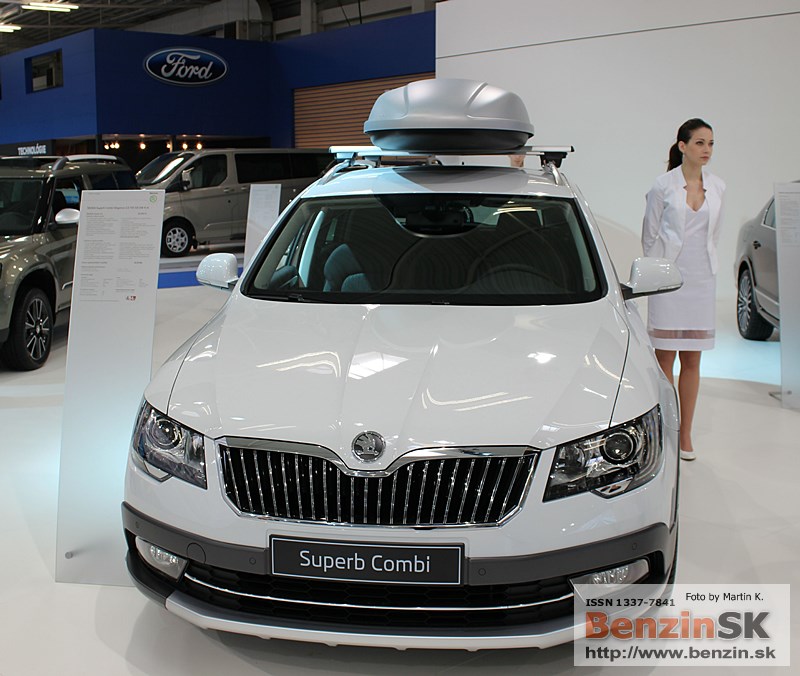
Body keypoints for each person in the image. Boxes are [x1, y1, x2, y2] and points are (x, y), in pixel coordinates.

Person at [641, 118, 725, 462]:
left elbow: (714, 236)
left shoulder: (718, 187)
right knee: (665, 359)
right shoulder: (662, 185)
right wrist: (657, 273)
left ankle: (686, 434)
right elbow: (649, 235)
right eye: (700, 143)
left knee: (692, 359)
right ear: (682, 146)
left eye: (710, 143)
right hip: (668, 280)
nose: (706, 150)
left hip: (701, 280)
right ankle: (667, 431)